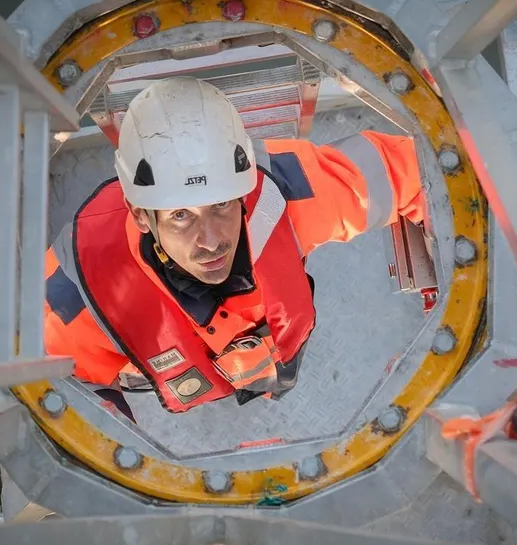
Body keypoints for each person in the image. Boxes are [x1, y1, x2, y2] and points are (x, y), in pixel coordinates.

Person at [44, 77, 424, 418]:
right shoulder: (76, 295)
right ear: (141, 216)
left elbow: (413, 171)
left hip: (272, 360)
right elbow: (58, 399)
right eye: (181, 215)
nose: (211, 241)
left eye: (221, 205)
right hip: (190, 373)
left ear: (242, 193)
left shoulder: (286, 193)